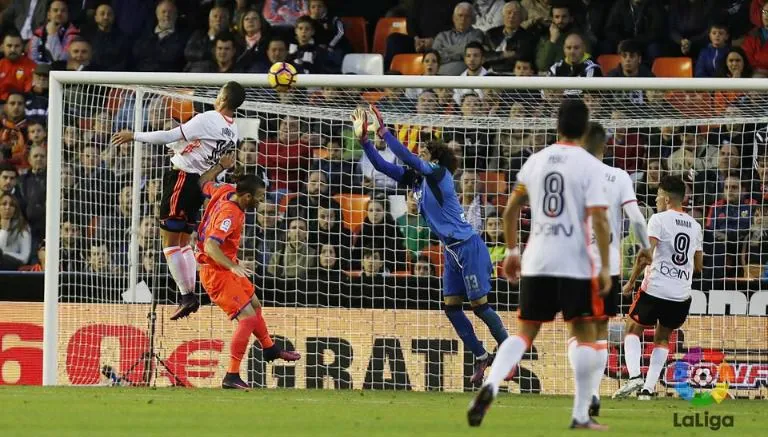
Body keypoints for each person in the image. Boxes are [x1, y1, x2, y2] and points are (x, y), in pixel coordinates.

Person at [467, 98, 613, 430]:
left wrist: (512, 252)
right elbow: (600, 221)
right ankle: (579, 414)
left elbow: (510, 210)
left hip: (536, 258)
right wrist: (604, 267)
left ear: (557, 124)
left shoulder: (536, 160)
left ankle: (491, 385)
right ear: (584, 126)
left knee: (524, 333)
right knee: (584, 332)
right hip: (573, 261)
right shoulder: (589, 164)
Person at [351, 104, 509, 384]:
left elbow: (406, 157)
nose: (418, 156)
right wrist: (364, 141)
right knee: (451, 307)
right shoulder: (417, 181)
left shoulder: (439, 175)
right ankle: (483, 356)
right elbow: (382, 165)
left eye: (423, 153)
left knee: (479, 305)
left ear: (435, 158)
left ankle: (509, 355)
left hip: (468, 245)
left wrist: (385, 132)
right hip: (451, 251)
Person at [111, 81, 245, 321]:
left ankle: (187, 295)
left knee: (170, 242)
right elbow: (201, 148)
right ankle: (190, 294)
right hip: (198, 186)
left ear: (223, 99)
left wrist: (134, 135)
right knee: (183, 241)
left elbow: (169, 134)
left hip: (182, 180)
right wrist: (178, 149)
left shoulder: (208, 118)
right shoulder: (232, 129)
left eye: (218, 93)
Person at [195, 172, 301, 389]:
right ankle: (231, 375)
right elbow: (210, 246)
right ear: (246, 197)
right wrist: (233, 265)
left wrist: (219, 167)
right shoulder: (230, 214)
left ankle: (270, 348)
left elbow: (203, 183)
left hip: (226, 266)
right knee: (248, 319)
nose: (262, 201)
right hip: (216, 271)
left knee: (255, 304)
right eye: (260, 197)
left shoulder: (224, 190)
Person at [612, 175, 703, 400]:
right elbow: (698, 266)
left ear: (665, 198)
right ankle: (648, 389)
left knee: (632, 328)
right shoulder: (696, 226)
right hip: (680, 294)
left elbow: (645, 256)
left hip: (656, 289)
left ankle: (634, 378)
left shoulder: (658, 219)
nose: (655, 200)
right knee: (663, 338)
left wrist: (631, 282)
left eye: (657, 196)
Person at [582, 122, 651, 415]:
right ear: (605, 146)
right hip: (607, 266)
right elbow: (635, 217)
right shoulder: (619, 175)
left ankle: (590, 392)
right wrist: (646, 246)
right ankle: (595, 392)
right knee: (598, 331)